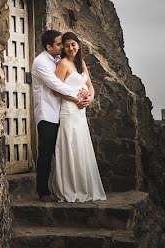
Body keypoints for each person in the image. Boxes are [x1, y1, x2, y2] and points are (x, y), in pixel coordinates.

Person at [31, 29, 89, 201]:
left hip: (61, 112)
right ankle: (43, 191)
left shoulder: (57, 59)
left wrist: (85, 95)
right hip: (47, 113)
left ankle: (63, 188)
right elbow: (57, 85)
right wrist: (79, 95)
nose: (62, 46)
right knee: (46, 152)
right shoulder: (40, 62)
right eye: (58, 44)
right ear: (49, 47)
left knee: (62, 152)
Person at [49, 31, 106, 202]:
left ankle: (84, 186)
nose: (70, 48)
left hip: (81, 112)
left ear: (78, 45)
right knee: (70, 145)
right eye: (66, 46)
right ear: (63, 49)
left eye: (73, 44)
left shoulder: (81, 63)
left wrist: (90, 98)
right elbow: (55, 89)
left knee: (81, 146)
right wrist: (76, 100)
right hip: (69, 110)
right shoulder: (63, 64)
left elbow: (89, 85)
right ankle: (69, 188)